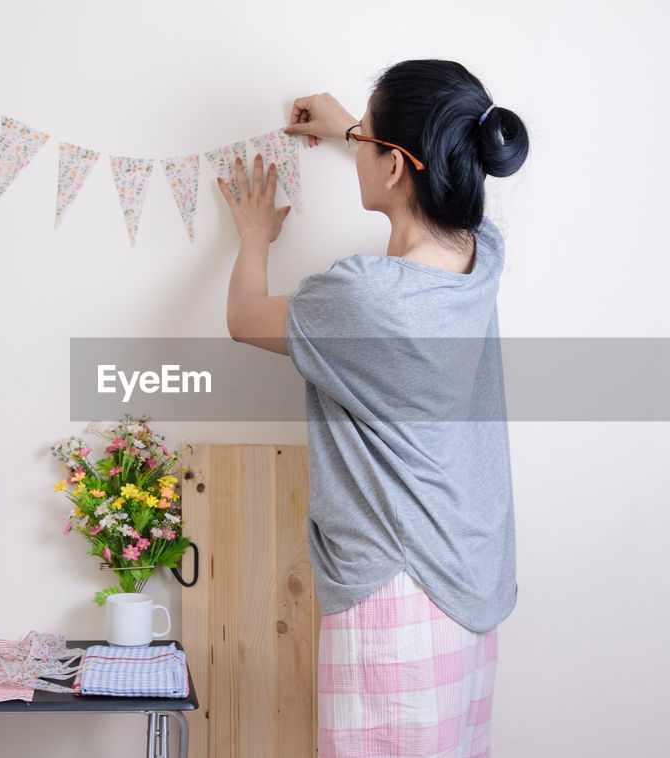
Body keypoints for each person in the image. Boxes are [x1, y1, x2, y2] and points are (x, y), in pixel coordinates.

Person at [217, 59, 529, 757]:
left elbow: (243, 318)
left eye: (367, 138)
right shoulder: (481, 254)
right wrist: (355, 131)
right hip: (469, 581)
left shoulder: (365, 299)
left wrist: (254, 238)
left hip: (399, 593)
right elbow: (427, 186)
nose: (355, 142)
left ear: (393, 166)